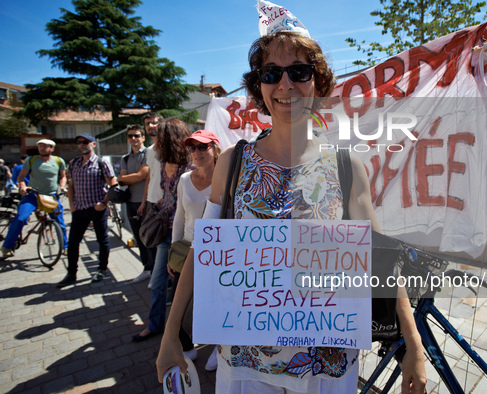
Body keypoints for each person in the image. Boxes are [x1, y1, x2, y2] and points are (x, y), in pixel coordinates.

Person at [157, 27, 426, 394]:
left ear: (317, 81)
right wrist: (170, 334)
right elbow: (203, 252)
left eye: (299, 72)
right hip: (245, 365)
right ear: (259, 86)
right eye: (271, 73)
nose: (285, 85)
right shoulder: (233, 164)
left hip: (327, 366)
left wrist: (414, 346)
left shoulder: (346, 166)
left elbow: (379, 261)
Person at [132, 119, 192, 342]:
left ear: (170, 139)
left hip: (184, 237)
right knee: (157, 283)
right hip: (165, 233)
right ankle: (155, 325)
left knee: (181, 290)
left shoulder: (190, 166)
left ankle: (181, 333)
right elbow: (165, 195)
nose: (154, 141)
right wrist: (157, 208)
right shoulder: (163, 162)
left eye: (159, 136)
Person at [169, 129, 221, 363]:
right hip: (187, 250)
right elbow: (179, 218)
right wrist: (173, 253)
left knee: (216, 302)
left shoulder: (228, 180)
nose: (196, 152)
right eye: (192, 147)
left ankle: (218, 349)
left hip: (217, 253)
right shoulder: (183, 179)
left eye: (203, 146)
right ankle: (187, 345)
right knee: (179, 304)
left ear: (215, 149)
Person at [57, 133, 116, 288]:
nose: (82, 145)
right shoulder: (74, 163)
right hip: (79, 209)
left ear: (93, 144)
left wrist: (103, 203)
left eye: (85, 142)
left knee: (102, 240)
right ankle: (71, 273)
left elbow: (113, 186)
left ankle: (102, 269)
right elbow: (71, 186)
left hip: (97, 208)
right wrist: (71, 204)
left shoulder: (101, 163)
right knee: (73, 242)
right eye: (79, 142)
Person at [0, 140, 67, 260]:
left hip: (51, 196)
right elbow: (21, 177)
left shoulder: (58, 161)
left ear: (52, 149)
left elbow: (63, 176)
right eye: (40, 146)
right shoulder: (31, 160)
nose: (42, 149)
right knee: (20, 218)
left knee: (59, 221)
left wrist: (62, 187)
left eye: (45, 147)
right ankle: (7, 247)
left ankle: (65, 246)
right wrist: (23, 186)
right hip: (33, 195)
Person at [116, 125, 151, 281]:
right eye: (130, 136)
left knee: (150, 237)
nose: (133, 139)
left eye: (136, 135)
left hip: (146, 202)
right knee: (138, 237)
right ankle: (147, 268)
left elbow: (143, 175)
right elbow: (121, 178)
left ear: (143, 137)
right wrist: (135, 176)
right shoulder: (125, 158)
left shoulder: (148, 154)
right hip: (130, 202)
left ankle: (155, 271)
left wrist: (132, 177)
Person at [138, 112, 164, 284]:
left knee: (164, 243)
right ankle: (154, 275)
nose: (150, 127)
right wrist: (143, 201)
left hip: (165, 203)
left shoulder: (169, 147)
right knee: (151, 240)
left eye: (154, 123)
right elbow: (149, 177)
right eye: (147, 124)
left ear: (161, 124)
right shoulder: (148, 150)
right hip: (151, 202)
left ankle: (162, 280)